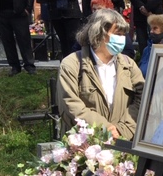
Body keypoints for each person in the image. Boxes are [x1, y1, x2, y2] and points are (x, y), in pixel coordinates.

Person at [56, 9, 144, 140]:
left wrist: (121, 130)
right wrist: (105, 128)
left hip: (123, 142)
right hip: (85, 144)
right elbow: (69, 103)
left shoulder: (129, 64)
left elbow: (142, 99)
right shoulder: (72, 64)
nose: (122, 39)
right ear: (99, 33)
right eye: (117, 34)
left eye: (123, 35)